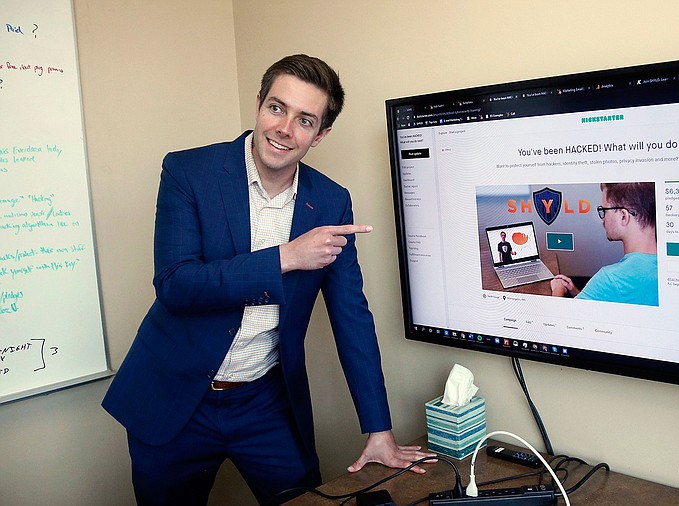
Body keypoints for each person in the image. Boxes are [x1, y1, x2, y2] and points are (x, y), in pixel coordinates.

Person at [102, 54, 434, 505]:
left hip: (264, 402)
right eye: (277, 108)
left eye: (304, 120)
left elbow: (352, 316)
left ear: (320, 135)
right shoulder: (188, 172)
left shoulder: (331, 201)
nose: (284, 129)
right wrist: (288, 256)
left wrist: (380, 430)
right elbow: (177, 284)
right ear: (259, 104)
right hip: (174, 399)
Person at [550, 182, 658, 306]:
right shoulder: (669, 264)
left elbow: (561, 316)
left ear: (623, 216)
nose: (603, 218)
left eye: (604, 210)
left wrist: (558, 289)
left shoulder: (611, 279)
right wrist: (579, 293)